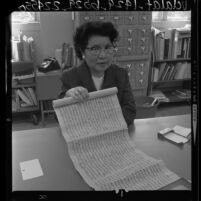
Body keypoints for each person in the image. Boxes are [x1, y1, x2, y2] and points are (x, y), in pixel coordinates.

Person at [59, 21, 136, 126]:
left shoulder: (121, 74)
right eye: (95, 49)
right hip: (85, 135)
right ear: (82, 51)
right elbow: (59, 117)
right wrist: (67, 99)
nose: (103, 55)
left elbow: (130, 111)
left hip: (113, 133)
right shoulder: (69, 76)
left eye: (108, 47)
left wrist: (105, 125)